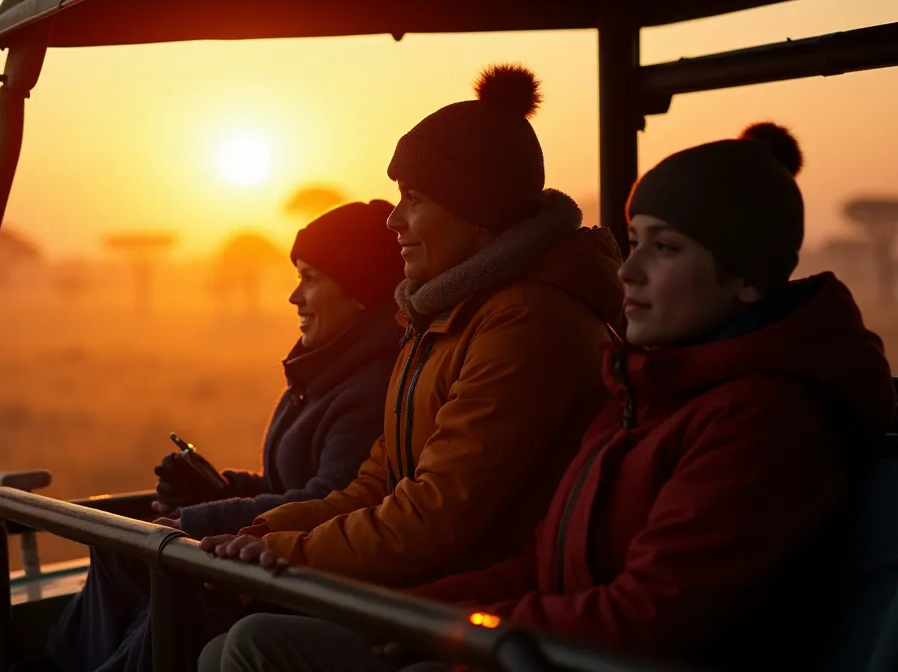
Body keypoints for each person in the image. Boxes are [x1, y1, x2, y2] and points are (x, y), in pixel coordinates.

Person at [206, 123, 897, 672]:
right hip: (541, 645)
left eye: (666, 248)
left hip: (579, 657)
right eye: (634, 242)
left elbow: (648, 617)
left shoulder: (759, 421)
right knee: (253, 641)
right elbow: (543, 561)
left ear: (745, 277)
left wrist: (455, 631)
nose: (629, 270)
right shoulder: (643, 387)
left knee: (256, 648)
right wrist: (410, 614)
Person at [197, 64, 622, 589]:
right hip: (428, 589)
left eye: (414, 200)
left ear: (478, 213)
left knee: (248, 646)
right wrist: (260, 532)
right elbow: (380, 482)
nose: (393, 221)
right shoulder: (443, 315)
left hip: (480, 607)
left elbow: (434, 519)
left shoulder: (525, 323)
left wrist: (281, 550)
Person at [46, 200, 407, 672]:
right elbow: (290, 489)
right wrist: (222, 490)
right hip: (273, 551)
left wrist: (206, 518)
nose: (294, 297)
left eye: (311, 278)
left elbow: (332, 498)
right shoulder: (325, 372)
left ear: (359, 290)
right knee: (119, 549)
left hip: (308, 578)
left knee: (172, 578)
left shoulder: (369, 386)